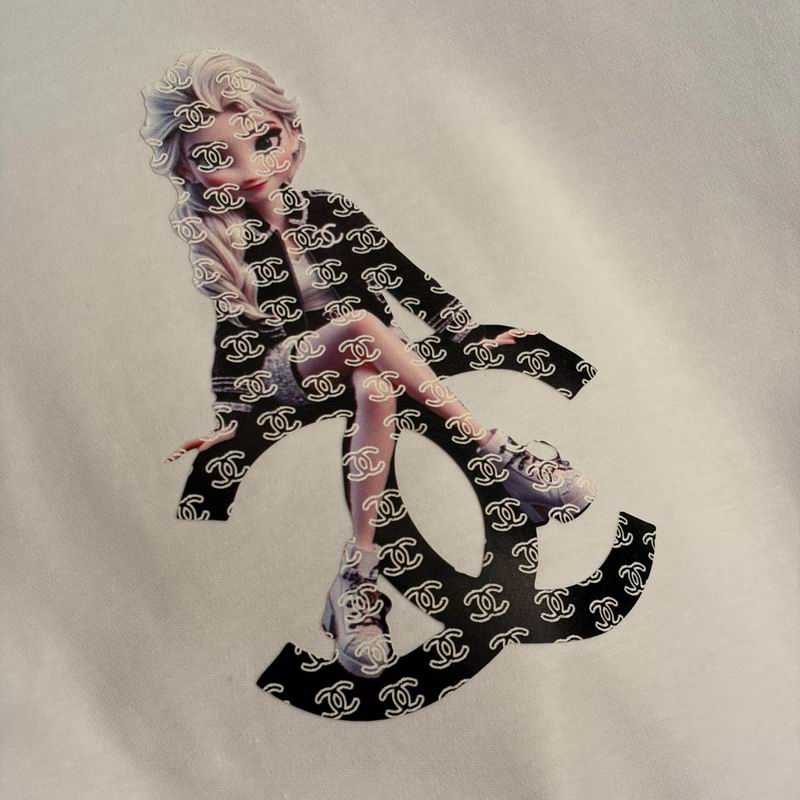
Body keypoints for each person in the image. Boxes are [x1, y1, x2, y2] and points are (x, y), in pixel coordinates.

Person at [140, 49, 595, 679]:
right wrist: (233, 417)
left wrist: (470, 334)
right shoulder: (223, 238)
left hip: (365, 355)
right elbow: (234, 332)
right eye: (217, 156)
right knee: (359, 328)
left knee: (376, 387)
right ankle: (494, 452)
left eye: (264, 141)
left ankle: (356, 577)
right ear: (188, 167)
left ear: (291, 133)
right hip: (284, 366)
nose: (250, 168)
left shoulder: (332, 211)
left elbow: (405, 277)